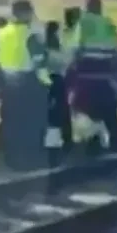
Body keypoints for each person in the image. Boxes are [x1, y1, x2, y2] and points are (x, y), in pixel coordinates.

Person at [0, 0, 50, 171]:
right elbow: (40, 62)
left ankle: (10, 157)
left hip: (7, 81)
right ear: (26, 13)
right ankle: (29, 158)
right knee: (31, 121)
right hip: (27, 82)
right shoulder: (30, 35)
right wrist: (47, 84)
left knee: (10, 120)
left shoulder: (1, 33)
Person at [70, 0, 117, 153]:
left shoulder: (83, 22)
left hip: (87, 73)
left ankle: (92, 141)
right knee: (108, 109)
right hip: (105, 74)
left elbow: (76, 47)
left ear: (87, 7)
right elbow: (116, 48)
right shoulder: (109, 23)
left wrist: (73, 69)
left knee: (83, 108)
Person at [43, 20, 73, 166]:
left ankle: (53, 143)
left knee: (51, 113)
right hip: (57, 80)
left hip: (46, 81)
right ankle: (65, 142)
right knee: (61, 112)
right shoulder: (57, 46)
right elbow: (66, 62)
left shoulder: (44, 46)